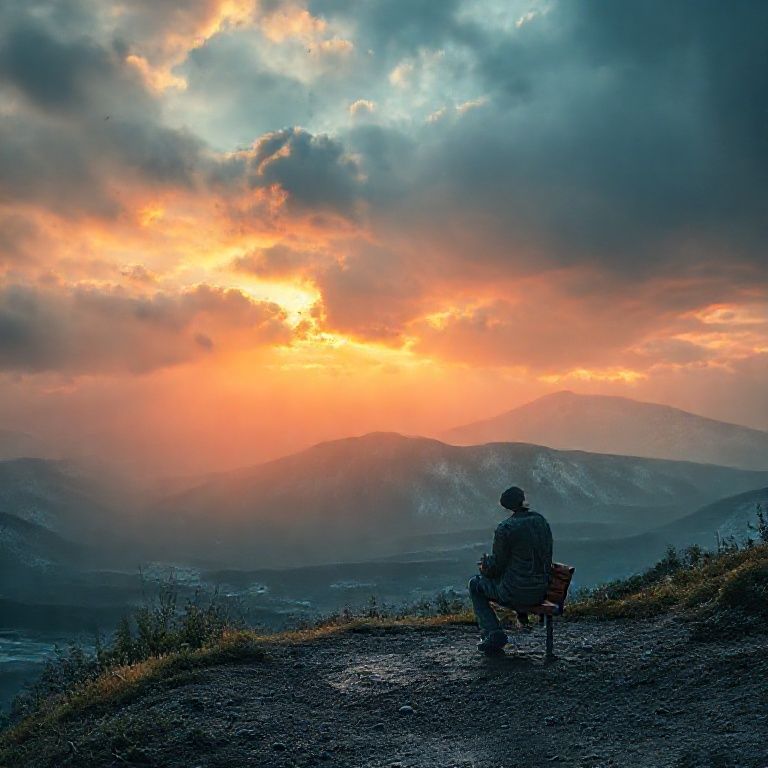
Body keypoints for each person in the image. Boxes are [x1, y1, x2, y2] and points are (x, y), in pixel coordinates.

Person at [468, 486, 553, 654]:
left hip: (515, 592)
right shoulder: (540, 521)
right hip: (543, 590)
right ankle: (521, 617)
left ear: (506, 506)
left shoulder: (506, 528)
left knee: (475, 585)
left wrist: (485, 566)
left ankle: (493, 633)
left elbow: (497, 566)